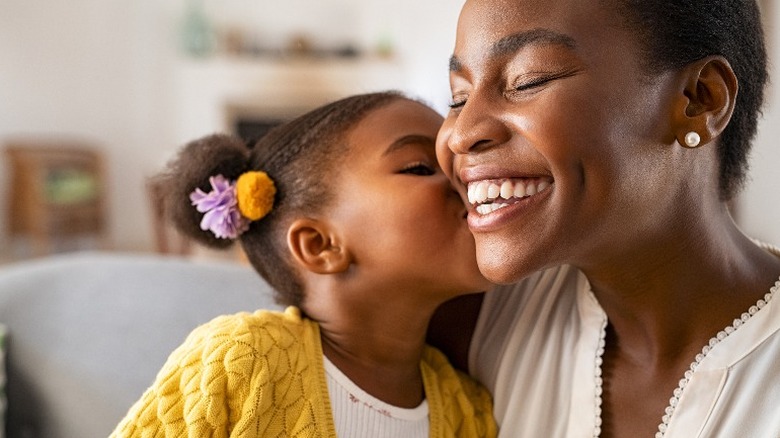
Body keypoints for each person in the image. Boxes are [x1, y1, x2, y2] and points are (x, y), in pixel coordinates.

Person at [431, 0, 780, 437]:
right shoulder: (475, 321)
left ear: (699, 100)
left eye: (528, 80)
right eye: (458, 97)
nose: (461, 133)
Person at [111, 91, 496, 438]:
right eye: (419, 167)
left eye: (457, 162)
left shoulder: (468, 411)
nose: (466, 178)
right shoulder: (241, 361)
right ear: (320, 245)